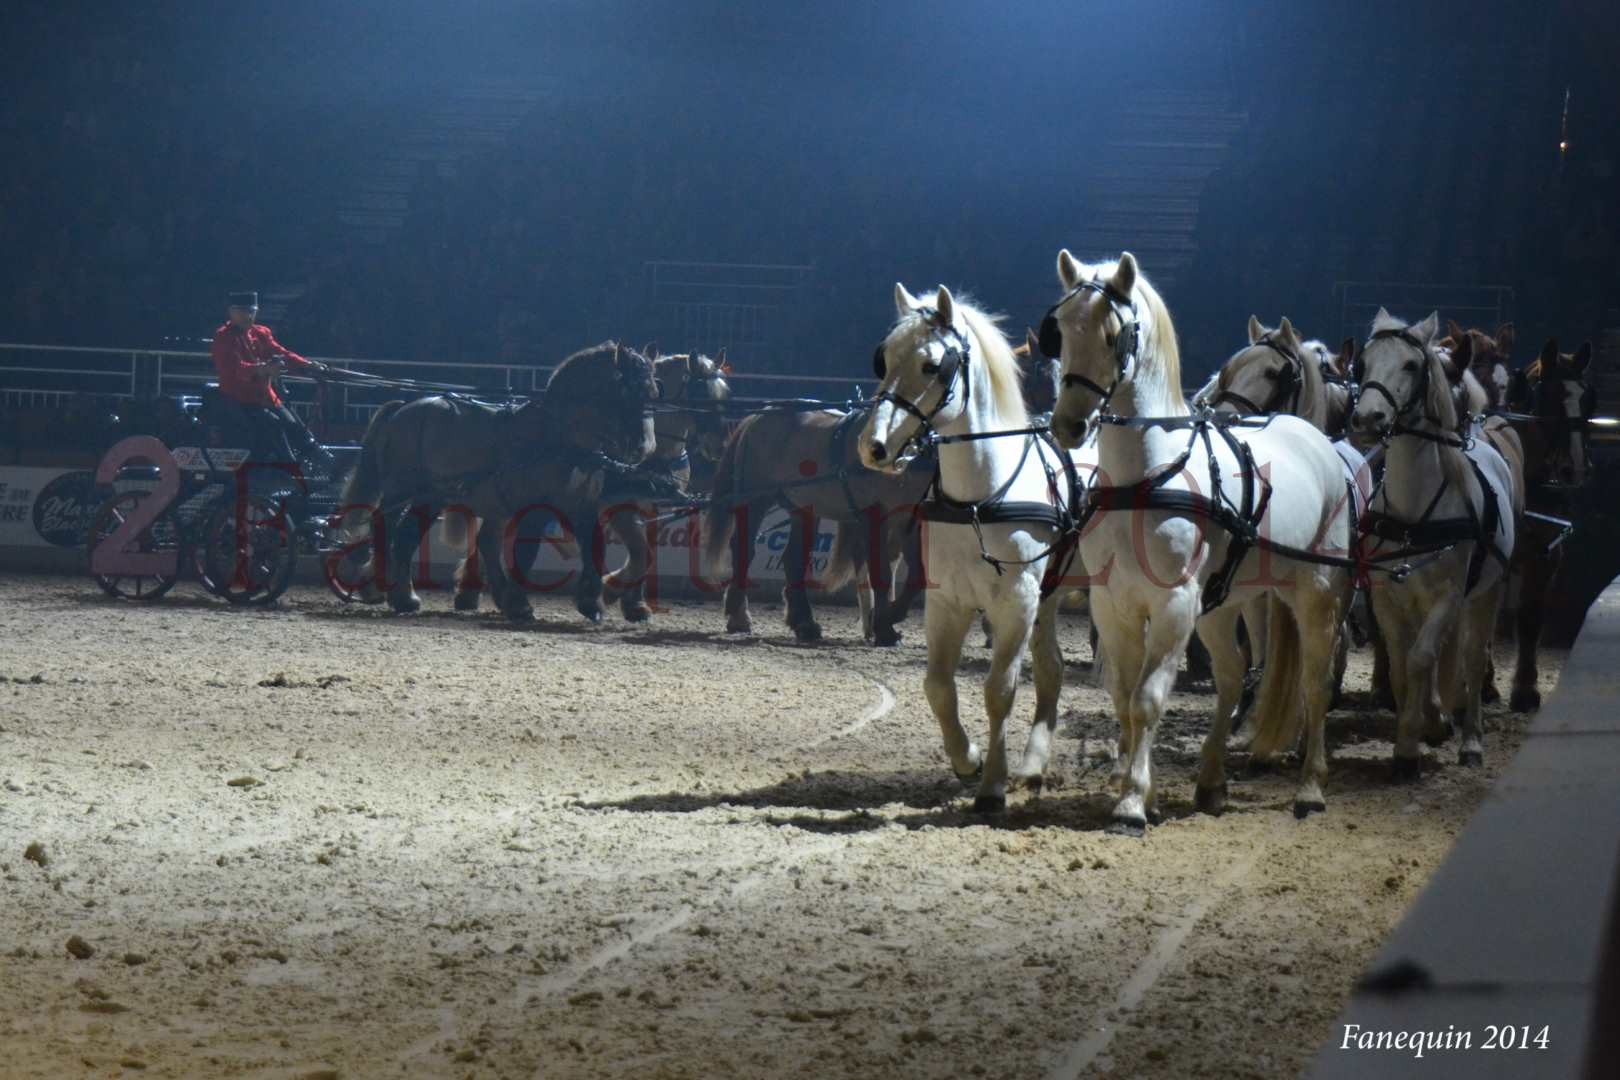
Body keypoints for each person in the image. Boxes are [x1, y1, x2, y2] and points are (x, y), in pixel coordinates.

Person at [210, 291, 334, 474]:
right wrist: (262, 369)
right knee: (274, 424)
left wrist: (307, 365)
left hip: (265, 397)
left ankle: (319, 456)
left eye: (251, 311)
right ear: (231, 312)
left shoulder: (261, 333)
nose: (247, 316)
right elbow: (235, 369)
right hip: (238, 400)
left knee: (292, 423)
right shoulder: (223, 337)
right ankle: (291, 466)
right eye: (242, 311)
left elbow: (282, 353)